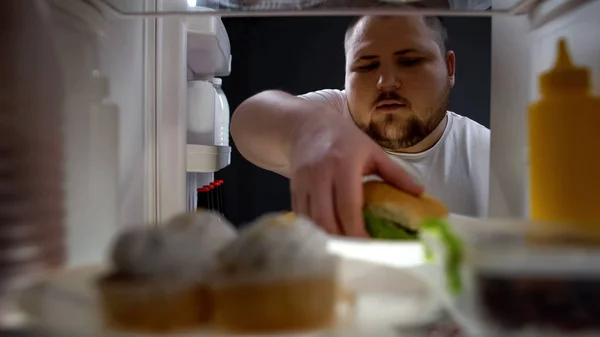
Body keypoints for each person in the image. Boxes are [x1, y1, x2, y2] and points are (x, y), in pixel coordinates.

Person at [230, 15, 490, 237]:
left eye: (409, 61)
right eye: (366, 66)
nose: (386, 81)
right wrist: (306, 131)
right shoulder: (333, 116)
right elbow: (246, 121)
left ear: (449, 68)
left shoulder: (488, 150)